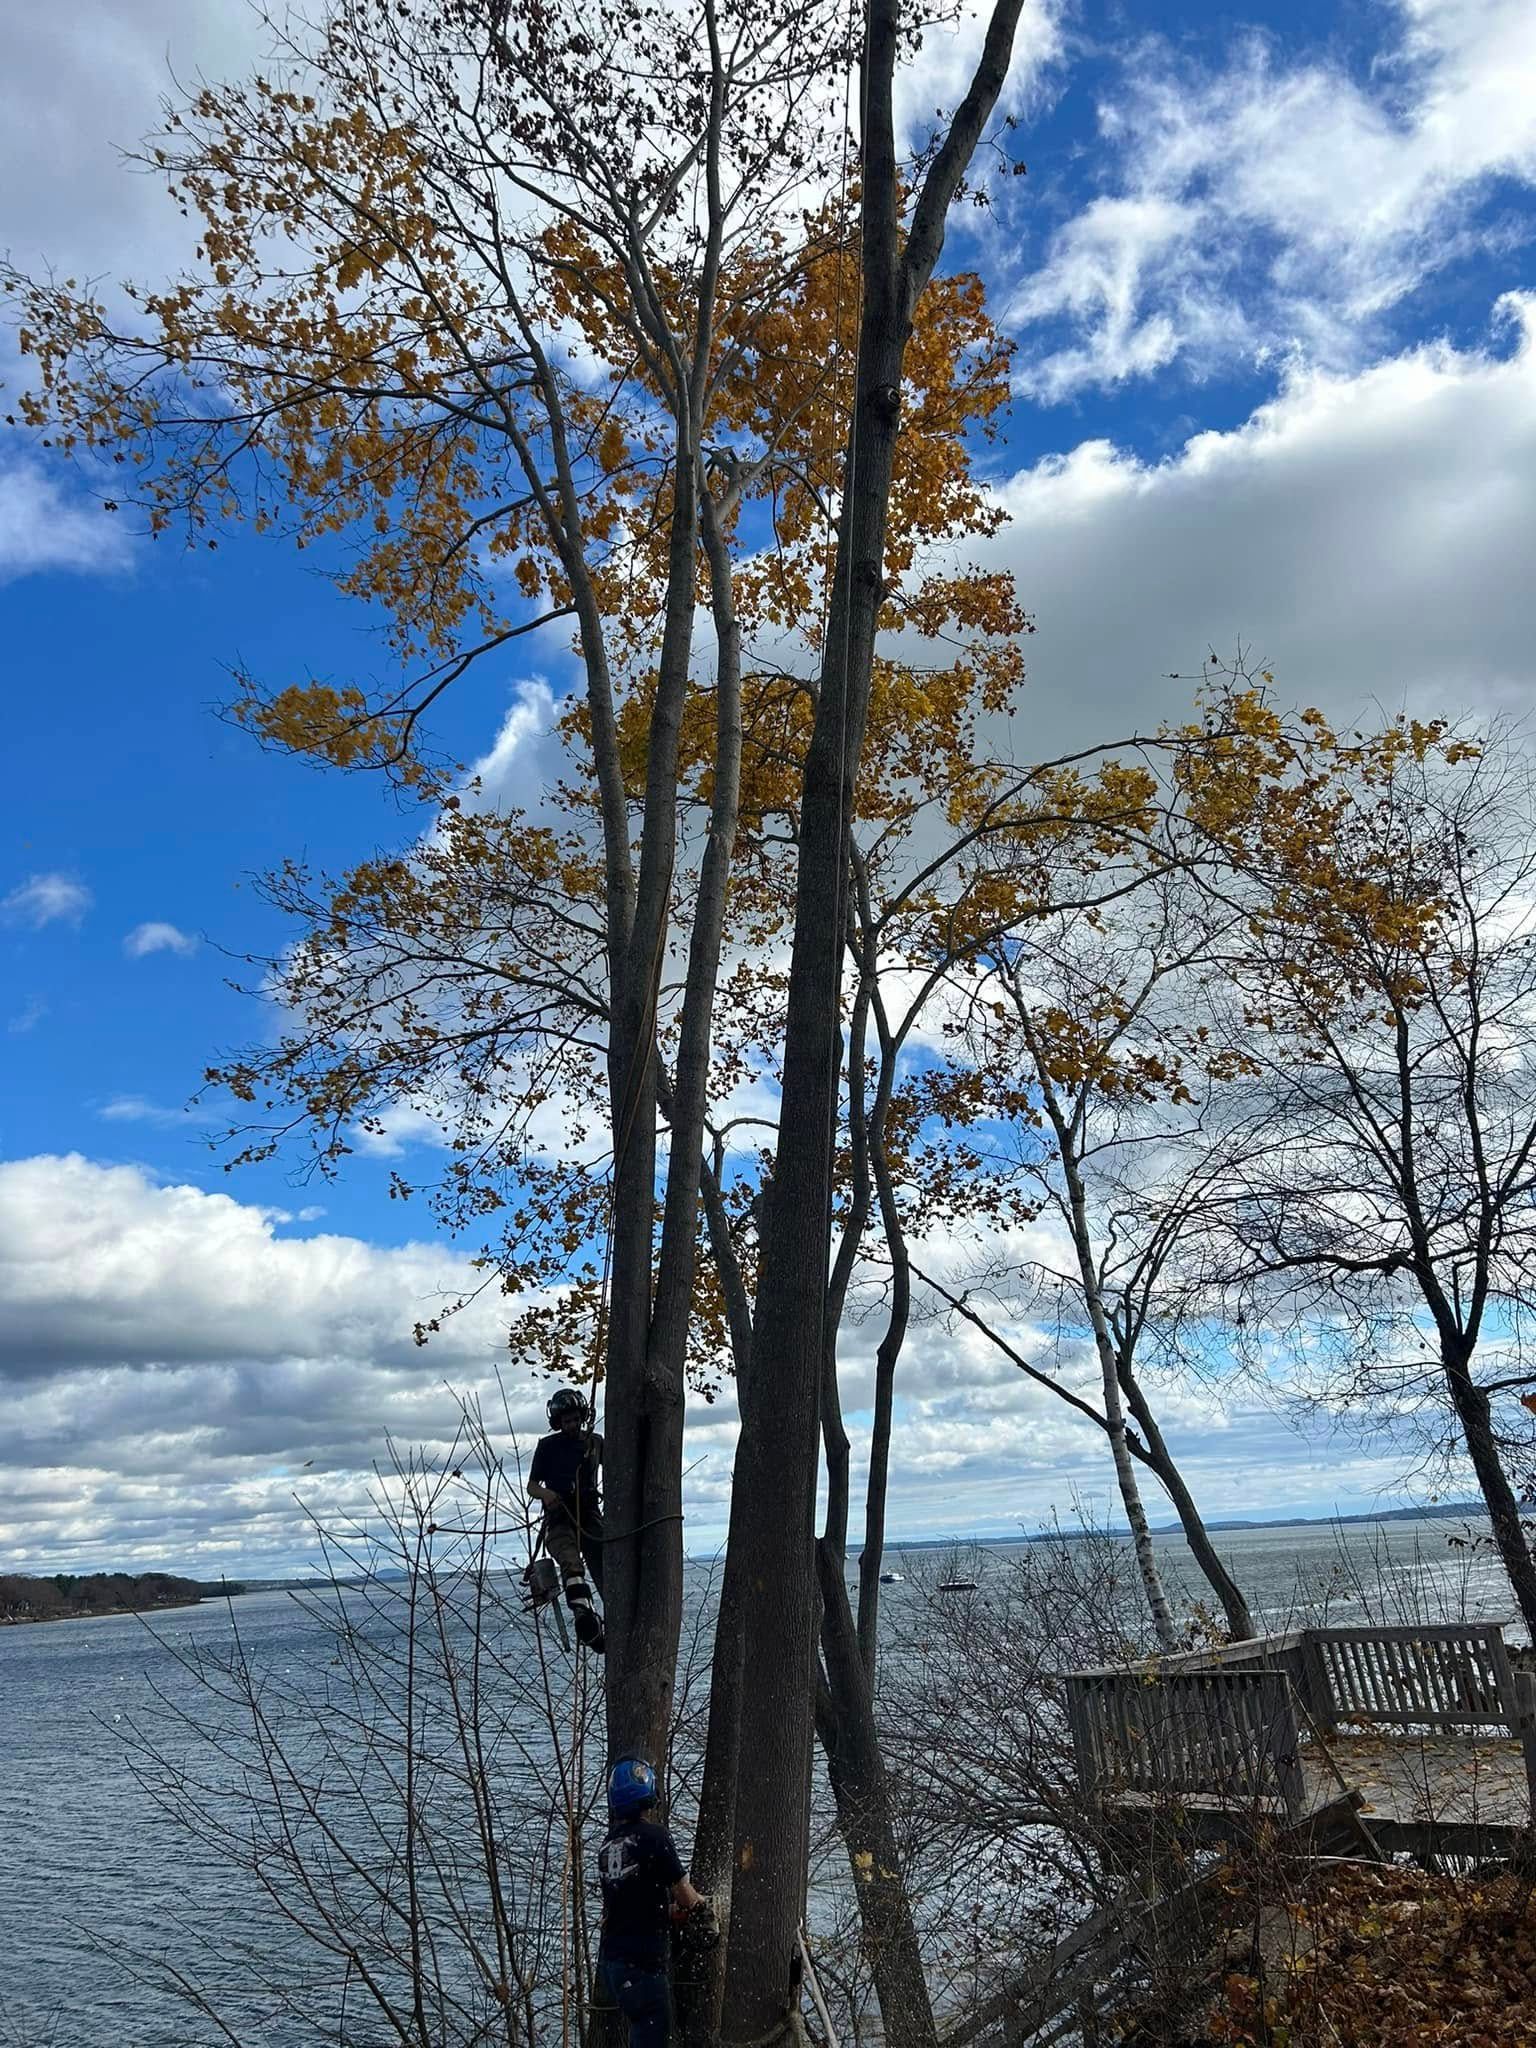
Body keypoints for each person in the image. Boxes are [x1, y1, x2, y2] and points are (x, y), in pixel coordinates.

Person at [596, 1757, 713, 2048]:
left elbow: (634, 1902)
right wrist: (703, 1906)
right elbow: (686, 1895)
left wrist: (668, 1912)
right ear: (649, 1794)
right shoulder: (655, 1837)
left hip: (615, 1964)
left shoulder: (608, 1845)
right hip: (643, 1965)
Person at [527, 1386, 606, 1651]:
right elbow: (532, 1486)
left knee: (605, 1566)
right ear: (558, 1422)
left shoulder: (594, 1443)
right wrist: (547, 1493)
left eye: (574, 1419)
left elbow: (619, 1467)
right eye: (566, 1420)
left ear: (582, 1416)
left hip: (591, 1517)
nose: (571, 1425)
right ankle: (584, 1618)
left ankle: (614, 1615)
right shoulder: (548, 1447)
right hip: (559, 1517)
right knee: (571, 1565)